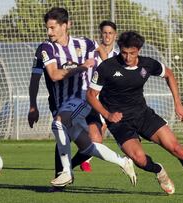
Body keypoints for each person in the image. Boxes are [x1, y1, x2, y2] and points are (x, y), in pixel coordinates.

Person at [86, 30, 183, 197]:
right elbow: (90, 95)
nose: (127, 57)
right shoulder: (107, 67)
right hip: (119, 122)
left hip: (143, 114)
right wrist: (108, 115)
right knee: (139, 159)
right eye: (124, 52)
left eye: (132, 53)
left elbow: (169, 74)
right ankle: (159, 170)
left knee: (177, 149)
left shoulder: (147, 64)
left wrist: (178, 104)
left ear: (138, 50)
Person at [32, 7, 136, 189]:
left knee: (58, 123)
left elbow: (101, 50)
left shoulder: (83, 43)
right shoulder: (46, 48)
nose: (49, 32)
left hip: (81, 96)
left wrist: (106, 71)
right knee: (87, 146)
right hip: (60, 102)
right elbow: (54, 75)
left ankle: (66, 173)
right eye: (47, 28)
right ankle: (123, 162)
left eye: (53, 28)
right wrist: (33, 106)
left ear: (66, 26)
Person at [80, 20, 119, 172]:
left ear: (115, 35)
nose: (107, 36)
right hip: (88, 94)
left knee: (101, 129)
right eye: (105, 33)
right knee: (93, 129)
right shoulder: (91, 52)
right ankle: (83, 158)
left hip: (107, 97)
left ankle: (85, 158)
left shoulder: (118, 55)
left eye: (110, 33)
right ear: (100, 34)